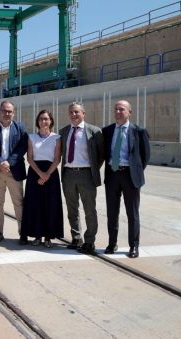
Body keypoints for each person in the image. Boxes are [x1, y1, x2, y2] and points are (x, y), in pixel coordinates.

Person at [103, 100, 150, 258]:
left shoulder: (139, 131)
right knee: (112, 212)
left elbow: (145, 156)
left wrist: (135, 171)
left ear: (130, 112)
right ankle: (112, 243)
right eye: (115, 109)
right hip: (112, 175)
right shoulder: (108, 131)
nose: (117, 111)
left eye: (121, 109)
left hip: (130, 176)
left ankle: (134, 246)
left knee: (132, 213)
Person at [59, 102, 104, 255]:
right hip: (68, 174)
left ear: (83, 113)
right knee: (72, 209)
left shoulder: (94, 131)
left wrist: (92, 169)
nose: (73, 115)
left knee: (89, 210)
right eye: (71, 112)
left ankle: (89, 241)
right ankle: (76, 238)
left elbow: (101, 154)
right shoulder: (64, 131)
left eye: (77, 112)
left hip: (86, 175)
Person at [0, 100, 28, 244]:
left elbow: (22, 147)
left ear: (13, 113)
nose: (7, 114)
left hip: (14, 170)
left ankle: (23, 233)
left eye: (10, 111)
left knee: (19, 203)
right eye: (4, 111)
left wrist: (9, 162)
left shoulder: (20, 127)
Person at [21, 110, 63, 248]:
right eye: (40, 119)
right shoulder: (31, 137)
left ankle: (48, 237)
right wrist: (40, 174)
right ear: (37, 122)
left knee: (50, 206)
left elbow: (57, 159)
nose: (43, 121)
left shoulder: (57, 137)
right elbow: (30, 158)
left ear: (51, 121)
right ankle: (37, 235)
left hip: (51, 173)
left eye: (46, 119)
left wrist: (47, 175)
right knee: (35, 205)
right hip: (35, 172)